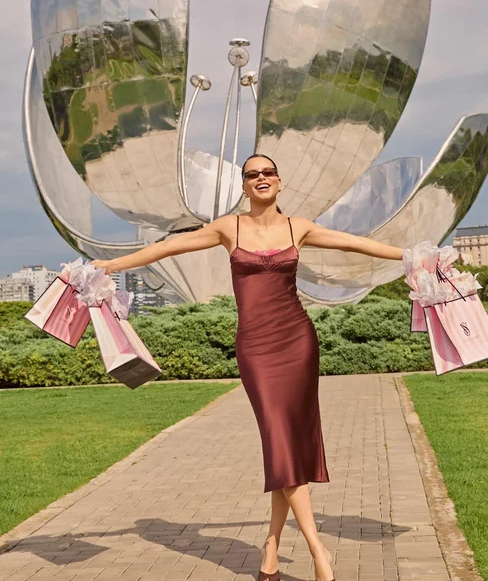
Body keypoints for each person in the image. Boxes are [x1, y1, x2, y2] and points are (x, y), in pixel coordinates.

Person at [92, 154, 404, 581]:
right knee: (280, 439)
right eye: (252, 174)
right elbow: (168, 247)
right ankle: (320, 553)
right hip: (256, 349)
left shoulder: (298, 227)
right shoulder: (229, 228)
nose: (261, 178)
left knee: (286, 446)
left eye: (267, 172)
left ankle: (271, 548)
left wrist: (411, 256)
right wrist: (111, 264)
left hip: (297, 341)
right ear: (244, 185)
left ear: (279, 181)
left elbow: (353, 243)